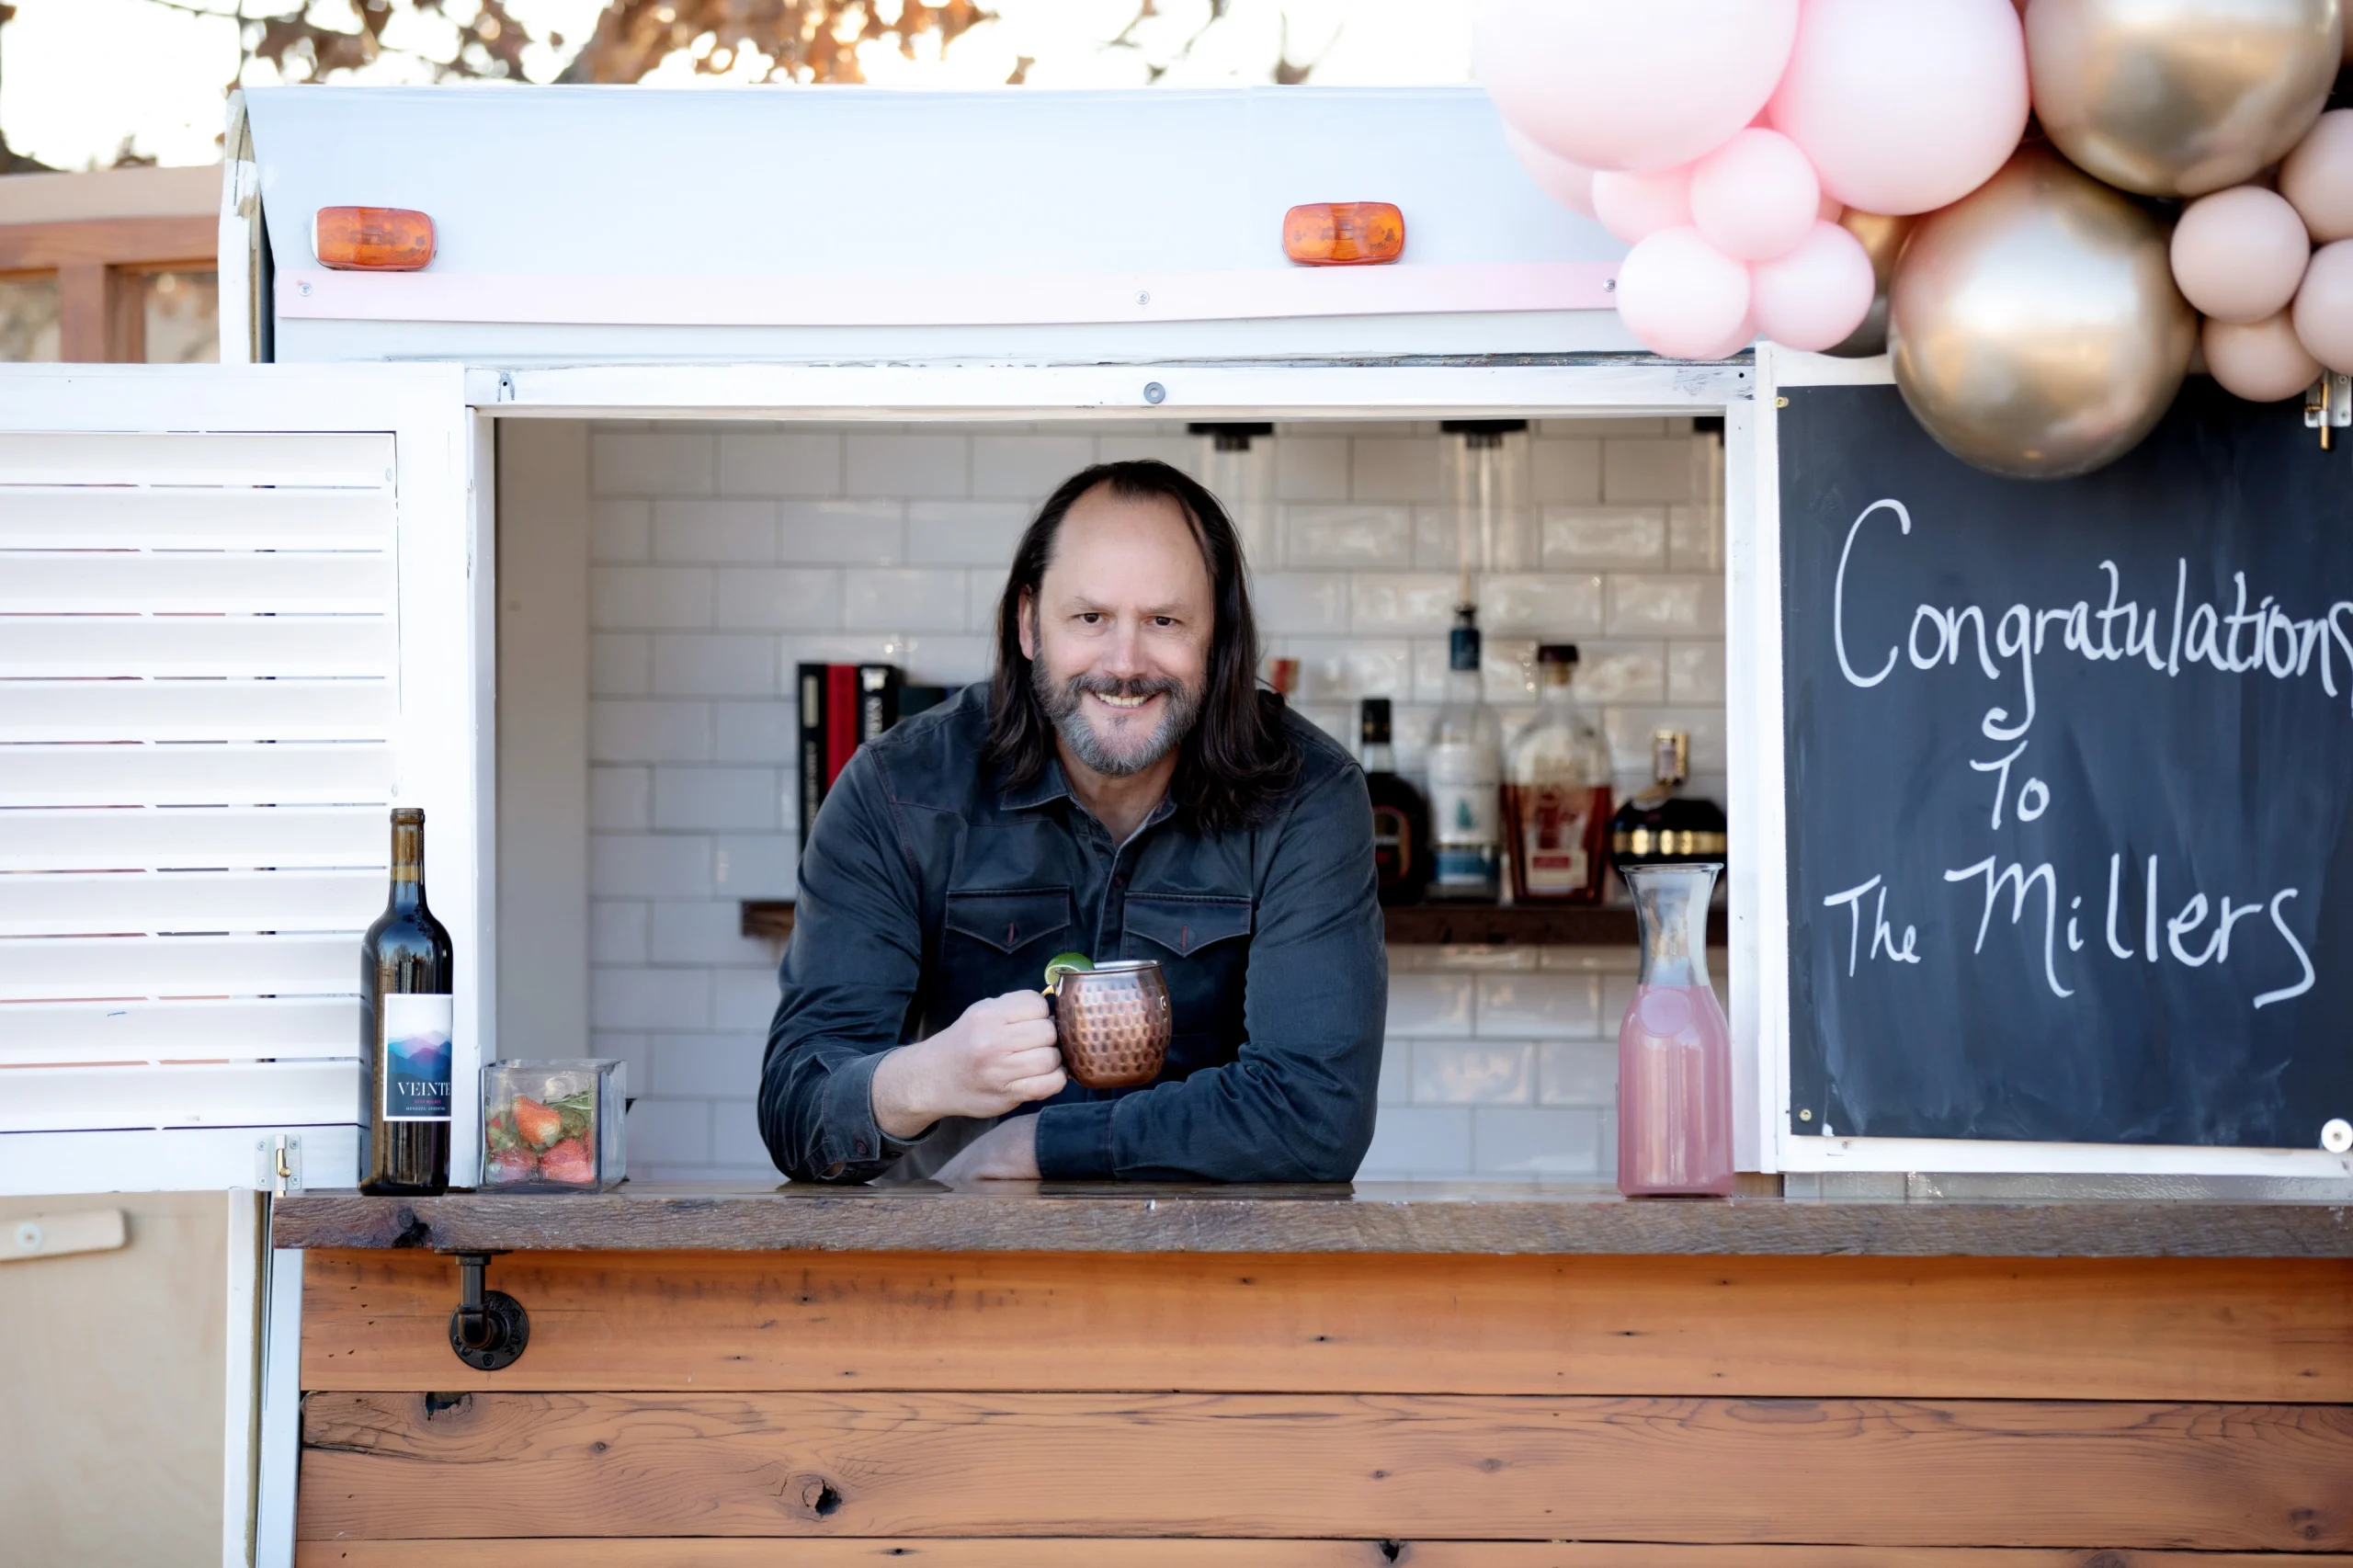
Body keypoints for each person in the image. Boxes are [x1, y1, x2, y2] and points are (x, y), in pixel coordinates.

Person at [758, 460, 1385, 1183]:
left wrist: (1038, 1146)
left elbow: (1317, 1112)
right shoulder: (900, 790)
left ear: (1218, 637)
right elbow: (796, 1109)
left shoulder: (1307, 792)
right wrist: (930, 1078)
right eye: (1090, 618)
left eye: (1165, 621)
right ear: (1029, 624)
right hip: (956, 1263)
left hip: (1218, 1268)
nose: (1124, 664)